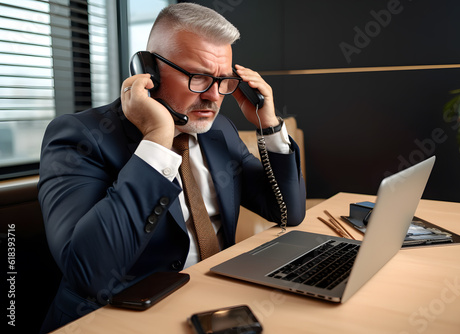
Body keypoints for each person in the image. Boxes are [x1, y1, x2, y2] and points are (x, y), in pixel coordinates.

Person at [38, 2, 306, 332]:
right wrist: (156, 139)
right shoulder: (81, 136)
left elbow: (286, 212)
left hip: (216, 306)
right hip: (118, 319)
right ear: (148, 71)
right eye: (199, 77)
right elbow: (90, 272)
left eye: (223, 80)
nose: (213, 96)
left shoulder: (219, 132)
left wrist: (270, 125)